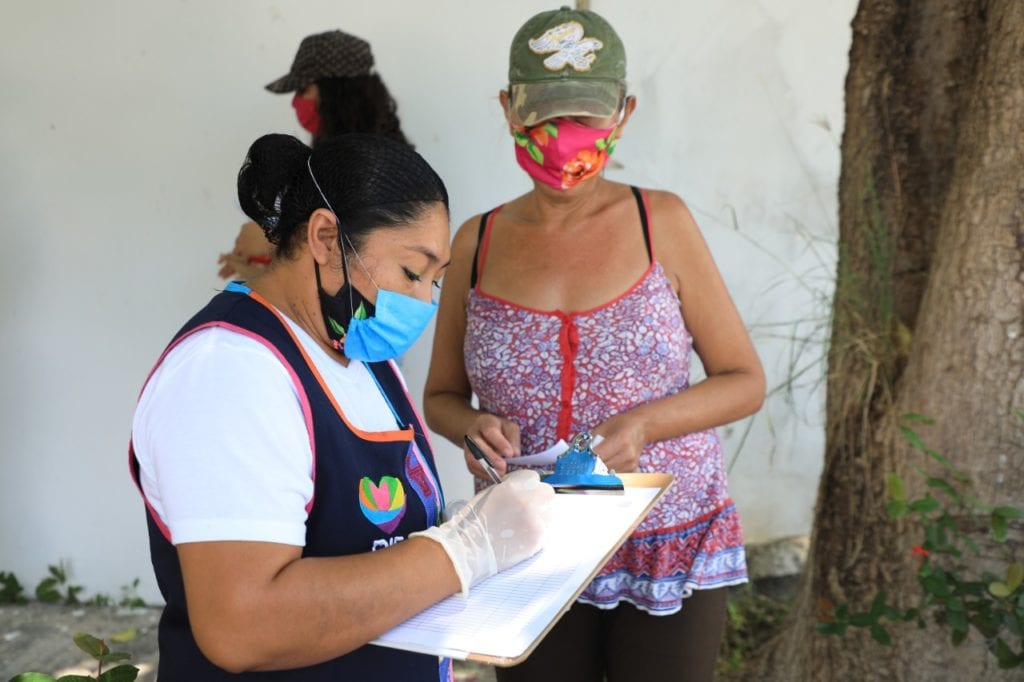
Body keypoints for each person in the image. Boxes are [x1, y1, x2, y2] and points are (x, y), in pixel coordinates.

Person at [131, 132, 553, 680]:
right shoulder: (228, 371)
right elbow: (243, 624)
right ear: (327, 237)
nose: (425, 300)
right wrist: (465, 549)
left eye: (436, 279)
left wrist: (475, 534)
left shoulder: (360, 351)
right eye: (411, 271)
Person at [423, 6, 766, 682]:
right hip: (533, 541)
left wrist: (644, 424)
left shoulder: (659, 221)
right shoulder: (476, 241)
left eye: (587, 118)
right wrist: (471, 428)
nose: (564, 139)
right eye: (543, 117)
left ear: (625, 112)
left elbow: (743, 378)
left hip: (668, 540)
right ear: (507, 108)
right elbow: (440, 396)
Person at [218, 29, 410, 280]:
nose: (295, 103)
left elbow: (357, 251)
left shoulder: (377, 167)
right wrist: (261, 268)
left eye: (303, 90)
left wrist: (271, 241)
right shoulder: (330, 160)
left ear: (336, 94)